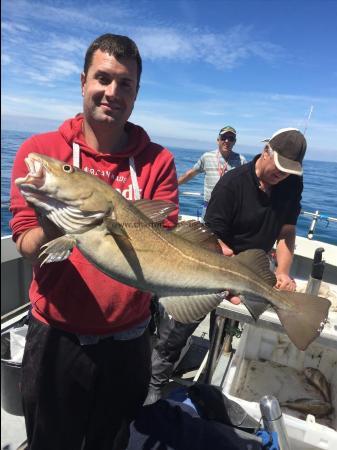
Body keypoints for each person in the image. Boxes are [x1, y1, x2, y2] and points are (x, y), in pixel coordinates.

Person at [9, 34, 178, 450]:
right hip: (56, 336)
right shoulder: (42, 151)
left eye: (125, 84)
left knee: (111, 442)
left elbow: (166, 243)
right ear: (83, 81)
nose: (112, 92)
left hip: (130, 340)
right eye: (103, 78)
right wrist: (58, 219)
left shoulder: (159, 161)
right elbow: (26, 242)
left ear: (136, 94)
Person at [145, 127, 305, 405]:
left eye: (289, 170)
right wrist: (233, 274)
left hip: (256, 264)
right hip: (216, 261)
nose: (282, 174)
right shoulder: (232, 184)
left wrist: (282, 271)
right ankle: (153, 385)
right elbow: (212, 241)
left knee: (260, 316)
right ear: (266, 151)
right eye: (278, 166)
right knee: (178, 326)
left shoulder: (291, 184)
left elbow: (287, 232)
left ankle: (222, 372)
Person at [177, 126, 246, 217]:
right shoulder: (207, 157)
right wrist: (174, 185)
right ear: (218, 140)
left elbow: (248, 184)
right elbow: (191, 174)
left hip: (231, 209)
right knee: (206, 231)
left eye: (231, 138)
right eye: (224, 138)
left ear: (234, 142)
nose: (227, 141)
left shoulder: (241, 160)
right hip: (209, 207)